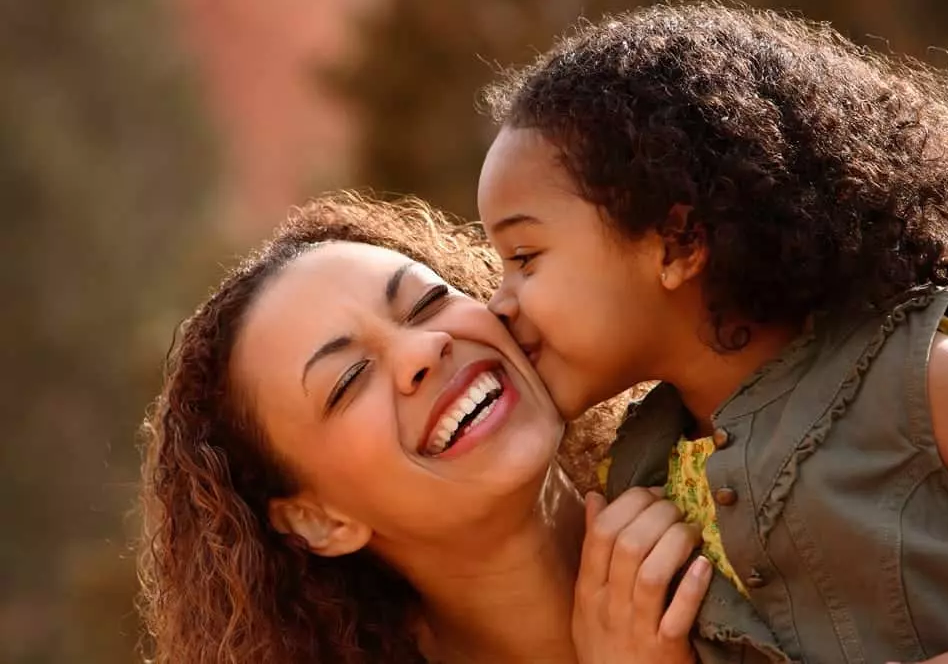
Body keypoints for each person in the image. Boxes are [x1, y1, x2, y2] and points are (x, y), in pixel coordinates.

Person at [479, 3, 948, 664]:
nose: (497, 302)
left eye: (524, 256)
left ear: (678, 242)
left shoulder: (919, 377)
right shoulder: (629, 500)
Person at [137, 192, 712, 664]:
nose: (423, 350)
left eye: (427, 302)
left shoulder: (737, 460)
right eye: (349, 379)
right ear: (319, 520)